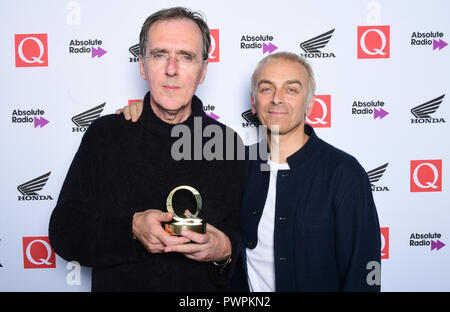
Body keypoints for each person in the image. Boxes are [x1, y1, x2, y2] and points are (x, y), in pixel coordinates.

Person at [117, 52, 381, 292]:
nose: (277, 98)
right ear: (254, 103)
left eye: (291, 89)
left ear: (310, 104)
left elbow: (364, 272)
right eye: (267, 88)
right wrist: (144, 115)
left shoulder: (343, 173)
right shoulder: (235, 160)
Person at [48, 7, 246, 292]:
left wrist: (224, 250)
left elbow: (243, 242)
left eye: (186, 57)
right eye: (160, 54)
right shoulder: (106, 136)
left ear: (203, 71)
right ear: (142, 65)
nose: (171, 69)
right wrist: (130, 229)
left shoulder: (227, 144)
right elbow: (64, 232)